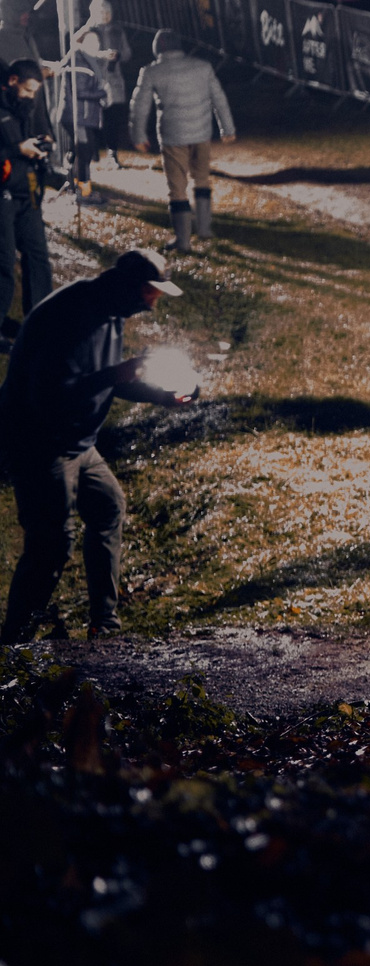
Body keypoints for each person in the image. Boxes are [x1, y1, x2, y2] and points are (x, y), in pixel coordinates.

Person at [0, 249, 195, 640]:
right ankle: (14, 642)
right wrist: (115, 372)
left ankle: (104, 626)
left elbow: (109, 380)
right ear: (129, 287)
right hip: (38, 440)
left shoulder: (110, 311)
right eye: (150, 292)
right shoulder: (71, 314)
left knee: (108, 506)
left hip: (77, 440)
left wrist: (163, 396)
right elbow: (52, 393)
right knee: (52, 543)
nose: (153, 302)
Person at [127, 31, 236, 255]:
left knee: (177, 189)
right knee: (202, 180)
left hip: (173, 138)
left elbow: (139, 107)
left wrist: (138, 136)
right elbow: (219, 98)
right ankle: (205, 229)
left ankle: (183, 241)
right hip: (202, 134)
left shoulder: (151, 72)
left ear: (158, 49)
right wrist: (228, 129)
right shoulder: (203, 67)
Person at [0, 60, 55, 340]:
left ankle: (40, 327)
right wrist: (15, 149)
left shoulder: (26, 106)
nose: (31, 97)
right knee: (4, 263)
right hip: (3, 193)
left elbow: (34, 133)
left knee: (38, 259)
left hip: (28, 191)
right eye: (28, 90)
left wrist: (43, 141)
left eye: (35, 92)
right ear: (12, 81)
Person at [71, 0, 130, 173]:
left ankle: (112, 153)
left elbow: (127, 54)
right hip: (93, 81)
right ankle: (93, 151)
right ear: (94, 13)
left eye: (108, 11)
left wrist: (118, 55)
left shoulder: (118, 31)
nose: (105, 15)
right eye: (101, 11)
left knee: (112, 118)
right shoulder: (87, 30)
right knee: (93, 117)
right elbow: (75, 48)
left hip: (113, 82)